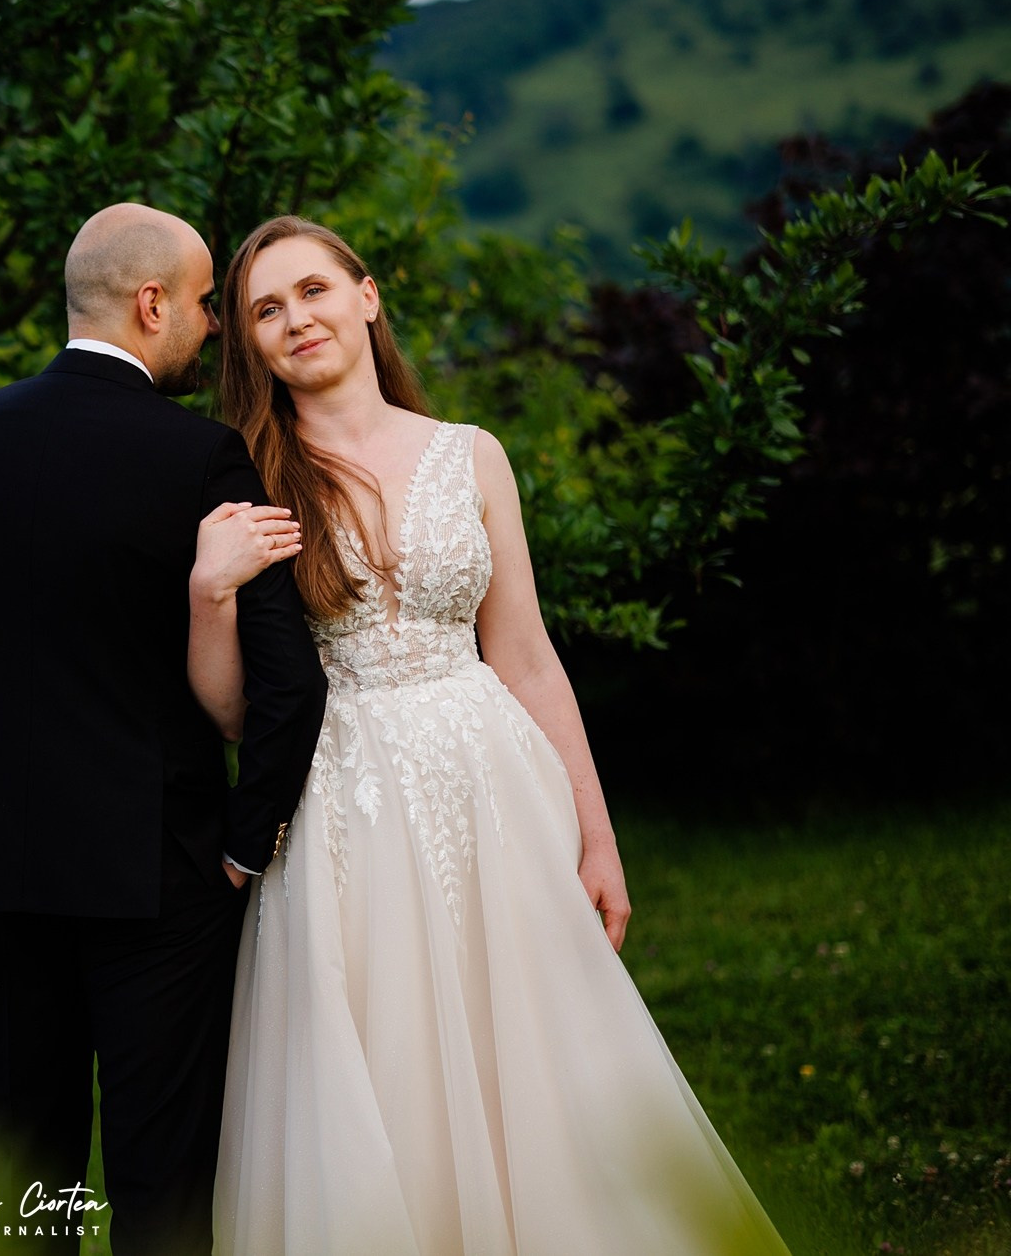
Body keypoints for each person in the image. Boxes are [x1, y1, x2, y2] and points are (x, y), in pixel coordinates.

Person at [197, 215, 794, 1256]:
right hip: (343, 805)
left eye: (312, 291)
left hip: (490, 787)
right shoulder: (248, 474)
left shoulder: (470, 456)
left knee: (534, 1052)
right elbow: (235, 711)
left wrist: (594, 834)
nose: (295, 319)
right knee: (383, 1063)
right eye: (264, 309)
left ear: (367, 297)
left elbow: (522, 654)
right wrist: (209, 592)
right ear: (247, 344)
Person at [0, 203, 328, 1255]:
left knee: (25, 1169)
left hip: (4, 867)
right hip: (163, 874)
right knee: (161, 1176)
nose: (211, 327)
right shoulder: (199, 457)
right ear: (150, 305)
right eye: (200, 304)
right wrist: (244, 842)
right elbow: (289, 687)